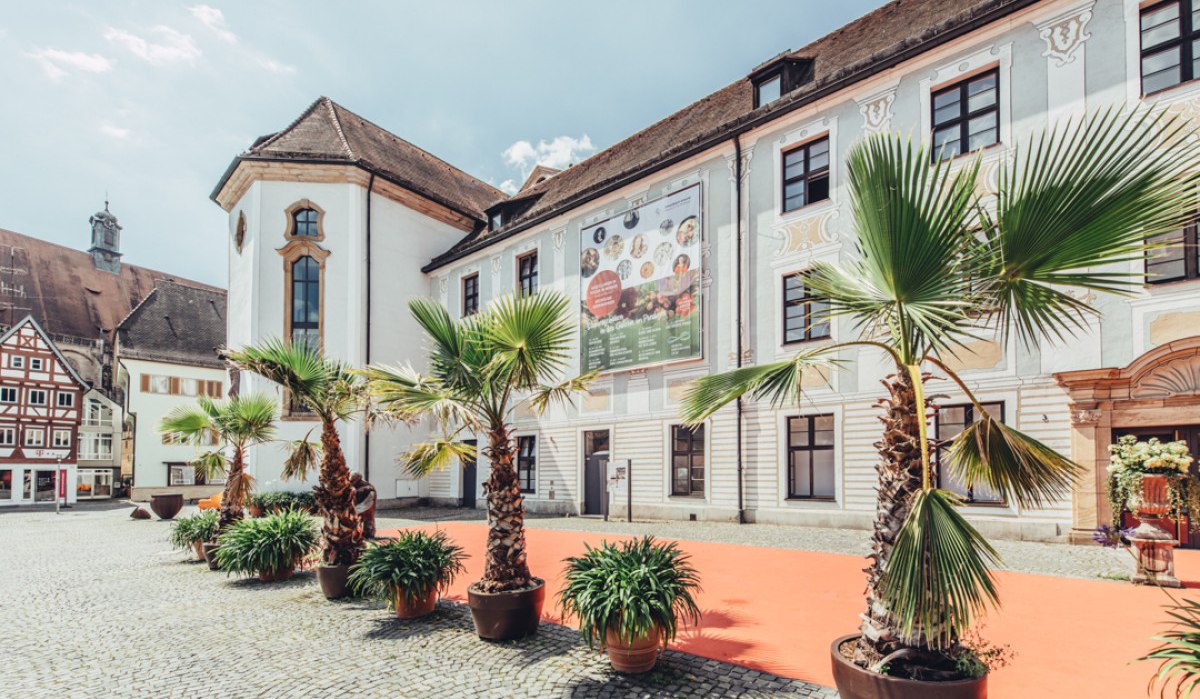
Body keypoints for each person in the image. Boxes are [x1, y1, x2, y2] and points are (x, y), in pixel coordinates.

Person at [350, 473, 377, 539]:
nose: (351, 482)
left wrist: (355, 510)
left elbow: (367, 502)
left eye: (353, 480)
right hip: (361, 504)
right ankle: (359, 535)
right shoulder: (356, 486)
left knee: (368, 519)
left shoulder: (368, 488)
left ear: (358, 479)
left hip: (367, 504)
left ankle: (369, 534)